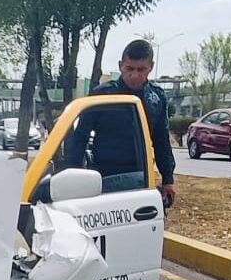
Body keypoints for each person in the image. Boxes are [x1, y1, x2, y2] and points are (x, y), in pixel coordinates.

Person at [65, 39, 176, 208]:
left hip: (140, 179)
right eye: (129, 68)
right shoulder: (102, 95)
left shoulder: (156, 98)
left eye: (141, 69)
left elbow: (162, 142)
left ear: (151, 67)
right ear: (120, 66)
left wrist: (168, 179)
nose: (135, 75)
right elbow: (79, 138)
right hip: (103, 178)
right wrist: (72, 178)